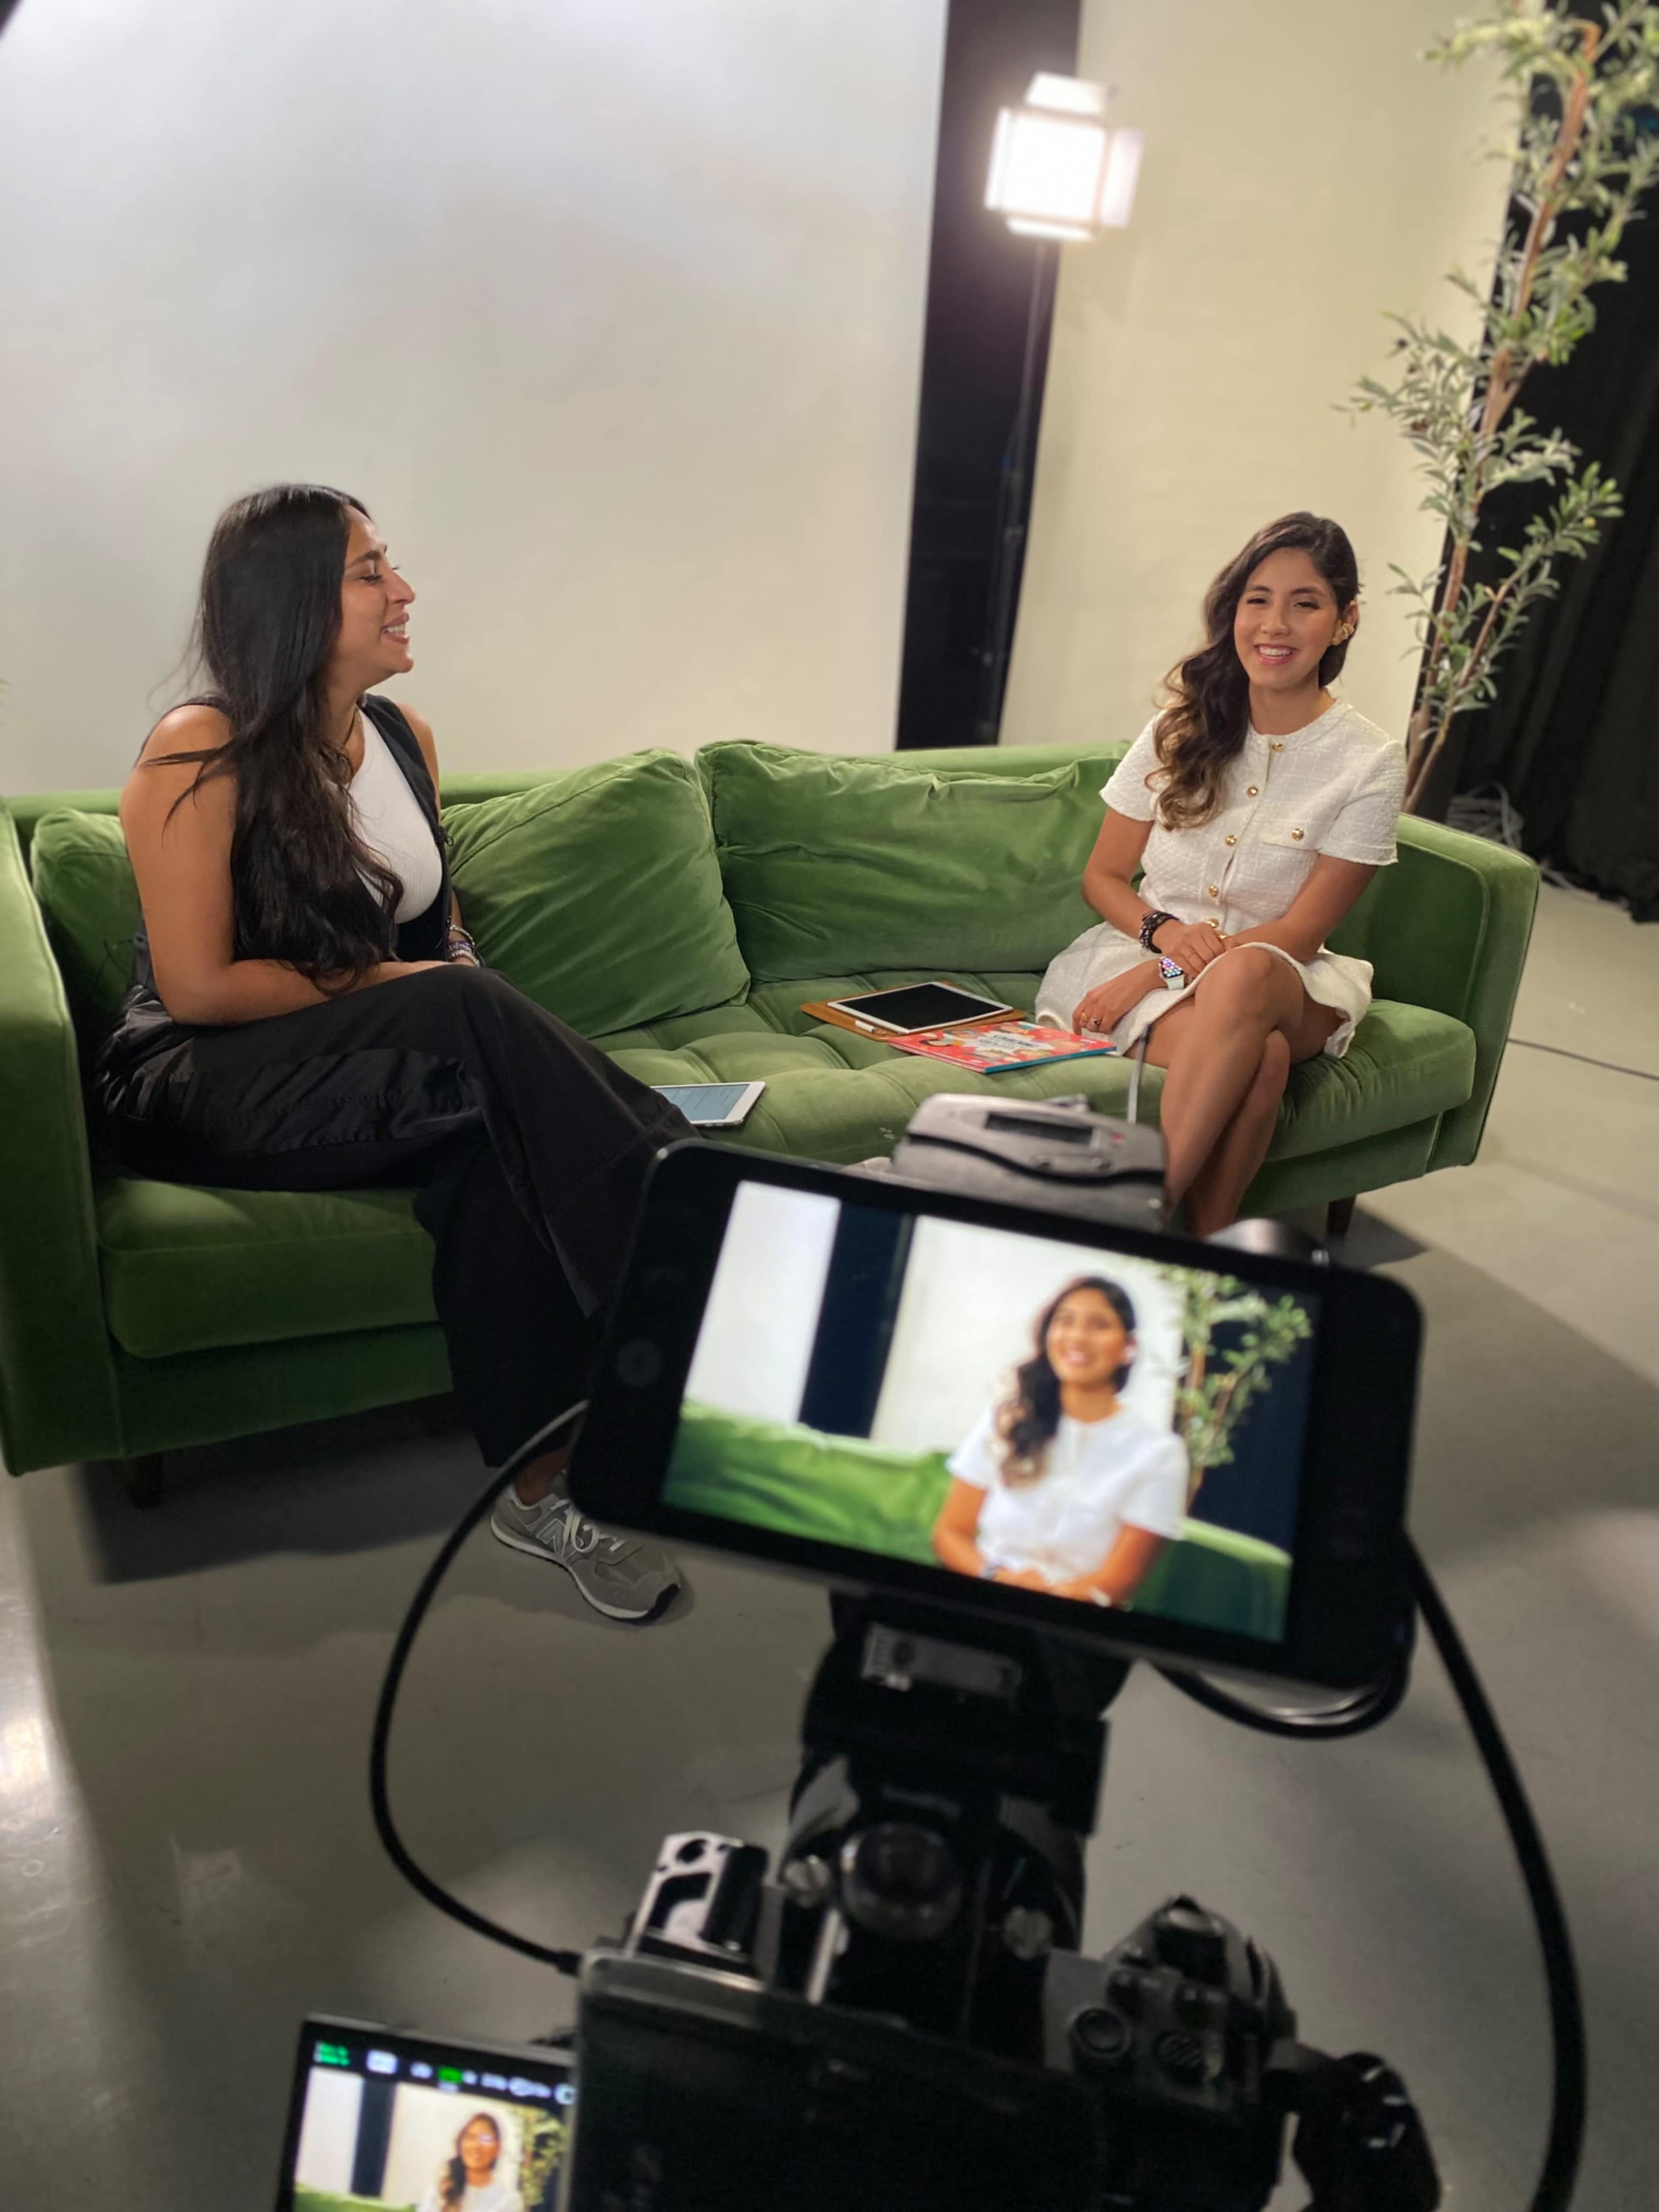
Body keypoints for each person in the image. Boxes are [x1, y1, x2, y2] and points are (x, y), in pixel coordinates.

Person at [93, 483, 689, 1620]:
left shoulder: (405, 741)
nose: (403, 591)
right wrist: (413, 983)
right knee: (467, 1016)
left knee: (488, 1138)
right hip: (194, 1074)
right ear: (298, 605)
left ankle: (542, 1489)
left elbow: (438, 932)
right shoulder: (199, 749)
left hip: (352, 1065)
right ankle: (690, 1213)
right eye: (372, 572)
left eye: (388, 567)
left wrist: (439, 970)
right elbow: (201, 987)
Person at [1035, 512, 1408, 1235]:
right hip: (1147, 950)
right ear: (1233, 611)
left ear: (1344, 621)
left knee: (1245, 980)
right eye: (1258, 599)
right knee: (1261, 1060)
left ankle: (1131, 1227)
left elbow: (1300, 934)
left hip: (1283, 977)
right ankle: (1203, 1249)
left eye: (1306, 603)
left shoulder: (1369, 761)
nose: (1276, 624)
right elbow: (1105, 878)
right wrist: (1161, 937)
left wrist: (1160, 971)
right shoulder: (1179, 728)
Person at [932, 1277, 1187, 1604]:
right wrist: (998, 1578)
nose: (1078, 1338)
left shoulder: (1159, 1454)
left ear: (1129, 1349)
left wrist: (1046, 1595)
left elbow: (1115, 1584)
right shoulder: (1009, 1418)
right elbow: (950, 1533)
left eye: (1099, 1325)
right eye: (1065, 1322)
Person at [418, 2111, 524, 2212]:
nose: (477, 2146)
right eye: (471, 2138)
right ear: (461, 2144)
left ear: (497, 2148)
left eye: (486, 2139)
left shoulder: (509, 2200)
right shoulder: (441, 2191)